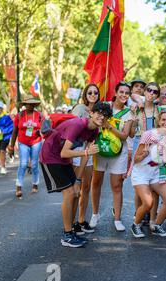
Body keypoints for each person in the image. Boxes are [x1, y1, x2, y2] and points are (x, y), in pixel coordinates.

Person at [40, 102, 111, 248]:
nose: (101, 116)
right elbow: (64, 152)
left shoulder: (95, 132)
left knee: (75, 193)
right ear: (91, 113)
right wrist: (85, 152)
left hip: (64, 158)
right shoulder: (78, 124)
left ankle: (70, 231)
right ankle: (67, 235)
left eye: (105, 115)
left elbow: (86, 155)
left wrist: (77, 179)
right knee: (69, 193)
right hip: (50, 155)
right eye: (99, 113)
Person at [90, 82, 133, 232]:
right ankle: (94, 214)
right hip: (100, 149)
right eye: (121, 91)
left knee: (117, 185)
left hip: (118, 151)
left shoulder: (129, 113)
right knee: (96, 182)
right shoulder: (104, 106)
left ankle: (117, 218)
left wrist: (109, 126)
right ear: (115, 92)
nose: (124, 95)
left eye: (127, 93)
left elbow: (124, 135)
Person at [130, 110, 166, 238]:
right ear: (158, 121)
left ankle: (156, 225)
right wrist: (144, 153)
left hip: (156, 173)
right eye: (163, 120)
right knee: (148, 202)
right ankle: (135, 224)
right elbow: (136, 159)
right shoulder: (149, 134)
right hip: (141, 173)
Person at [129, 82, 161, 228]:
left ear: (157, 96)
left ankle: (152, 218)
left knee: (153, 184)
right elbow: (132, 132)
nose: (151, 93)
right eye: (149, 90)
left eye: (155, 92)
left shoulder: (159, 110)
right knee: (140, 184)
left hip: (154, 146)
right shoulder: (136, 108)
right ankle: (138, 215)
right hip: (140, 144)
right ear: (145, 91)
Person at [70, 84, 100, 235]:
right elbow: (71, 128)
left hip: (90, 152)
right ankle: (71, 223)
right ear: (85, 94)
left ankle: (81, 221)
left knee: (86, 188)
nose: (93, 94)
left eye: (95, 92)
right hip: (77, 151)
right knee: (75, 189)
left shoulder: (99, 111)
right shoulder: (80, 108)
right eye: (90, 92)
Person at [8, 95, 43, 198]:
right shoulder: (19, 116)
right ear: (25, 105)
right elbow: (15, 131)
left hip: (36, 142)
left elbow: (45, 129)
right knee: (23, 164)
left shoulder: (39, 115)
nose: (31, 106)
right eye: (29, 104)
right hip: (23, 142)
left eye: (32, 104)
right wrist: (11, 147)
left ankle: (35, 183)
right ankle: (19, 186)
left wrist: (39, 132)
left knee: (35, 164)